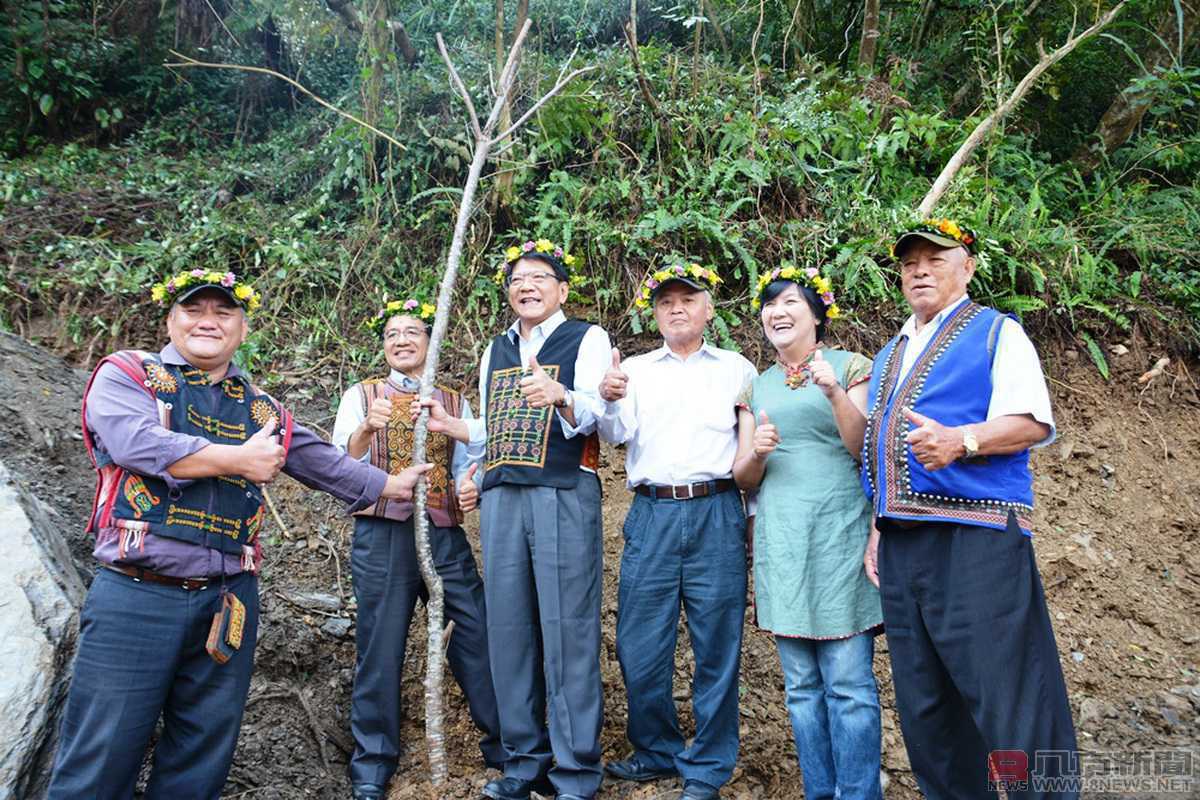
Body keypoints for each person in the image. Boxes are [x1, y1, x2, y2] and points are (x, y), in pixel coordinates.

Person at [48, 270, 431, 800]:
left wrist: (388, 484)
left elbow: (315, 459)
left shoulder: (259, 406)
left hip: (227, 600)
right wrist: (241, 459)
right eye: (194, 310)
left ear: (243, 329)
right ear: (170, 320)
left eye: (223, 313)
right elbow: (138, 444)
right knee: (101, 752)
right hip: (135, 595)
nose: (208, 321)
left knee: (201, 756)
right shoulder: (129, 374)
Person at [861, 219, 1078, 799]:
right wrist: (879, 526)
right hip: (904, 548)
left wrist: (964, 440)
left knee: (1008, 693)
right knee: (927, 705)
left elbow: (1032, 421)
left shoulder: (996, 334)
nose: (920, 269)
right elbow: (882, 450)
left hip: (976, 539)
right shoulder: (892, 352)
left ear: (969, 267)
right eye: (910, 262)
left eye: (936, 258)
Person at [421, 239, 611, 800]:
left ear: (562, 289)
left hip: (562, 489)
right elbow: (494, 428)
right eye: (517, 280)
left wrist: (561, 395)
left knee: (567, 630)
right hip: (504, 498)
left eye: (538, 278)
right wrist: (466, 452)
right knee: (508, 629)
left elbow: (600, 413)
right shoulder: (495, 348)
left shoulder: (587, 337)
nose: (526, 287)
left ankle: (575, 771)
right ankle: (524, 762)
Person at [331, 298, 505, 800]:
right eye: (392, 334)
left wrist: (471, 487)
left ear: (431, 342)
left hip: (444, 534)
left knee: (475, 637)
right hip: (382, 535)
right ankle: (372, 766)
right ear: (383, 346)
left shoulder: (455, 403)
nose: (402, 340)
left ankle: (505, 752)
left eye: (412, 332)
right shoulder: (361, 396)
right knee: (380, 648)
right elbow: (342, 462)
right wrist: (368, 427)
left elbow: (471, 465)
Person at [598, 262, 755, 800]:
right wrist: (612, 397)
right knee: (639, 642)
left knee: (718, 644)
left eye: (687, 299)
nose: (677, 308)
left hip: (718, 509)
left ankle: (709, 764)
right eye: (666, 302)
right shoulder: (636, 370)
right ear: (655, 313)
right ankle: (657, 751)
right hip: (652, 511)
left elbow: (752, 444)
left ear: (709, 309)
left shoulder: (738, 368)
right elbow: (617, 435)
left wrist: (752, 521)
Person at [731, 265, 882, 800]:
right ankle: (820, 792)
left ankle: (859, 794)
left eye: (791, 301)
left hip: (841, 532)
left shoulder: (851, 366)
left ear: (817, 314)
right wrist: (759, 451)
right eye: (770, 304)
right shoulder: (758, 384)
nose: (778, 311)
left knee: (848, 686)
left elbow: (864, 446)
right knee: (800, 689)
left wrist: (835, 393)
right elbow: (742, 476)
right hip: (782, 538)